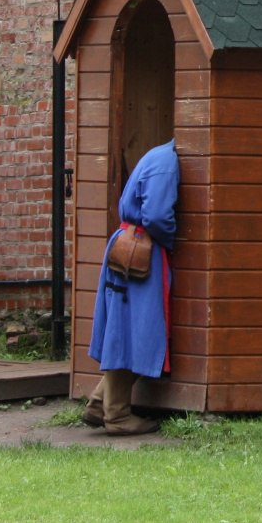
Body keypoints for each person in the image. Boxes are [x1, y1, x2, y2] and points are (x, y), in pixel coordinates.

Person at [82, 138, 178, 435]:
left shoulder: (159, 156)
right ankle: (118, 415)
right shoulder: (167, 162)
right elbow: (158, 216)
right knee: (134, 331)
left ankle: (100, 402)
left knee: (126, 329)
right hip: (140, 250)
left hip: (130, 245)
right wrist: (174, 241)